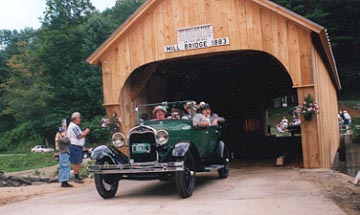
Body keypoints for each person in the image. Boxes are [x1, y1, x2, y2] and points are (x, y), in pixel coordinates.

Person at [67, 112, 90, 183]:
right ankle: (76, 177)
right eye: (79, 118)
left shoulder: (73, 126)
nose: (80, 119)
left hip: (75, 146)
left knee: (77, 162)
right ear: (75, 119)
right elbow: (79, 136)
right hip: (75, 146)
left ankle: (77, 176)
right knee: (76, 162)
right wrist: (86, 132)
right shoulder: (73, 126)